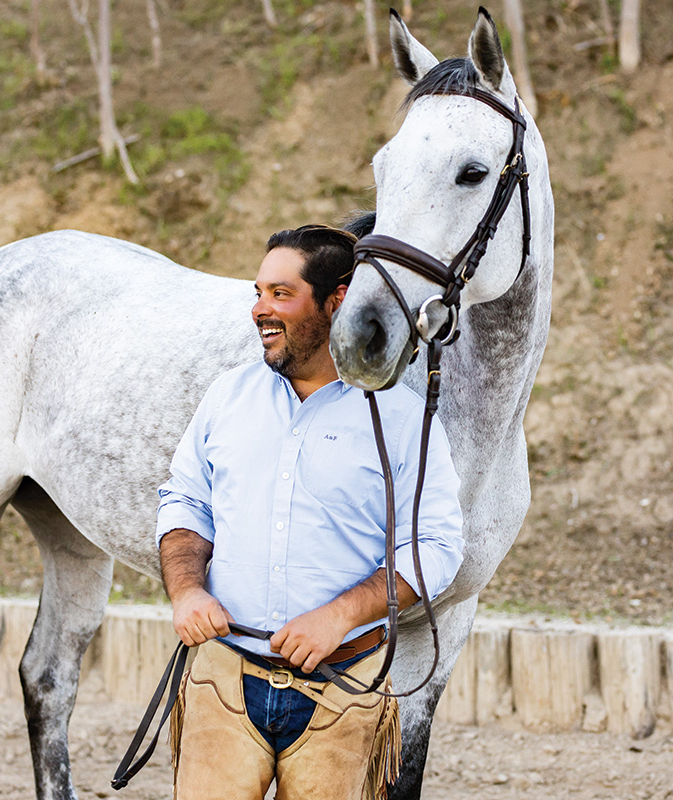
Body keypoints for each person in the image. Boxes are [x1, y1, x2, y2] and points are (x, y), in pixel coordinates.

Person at [155, 223, 464, 800]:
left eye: (281, 294)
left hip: (342, 688)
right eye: (258, 292)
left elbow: (435, 548)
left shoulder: (402, 418)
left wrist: (339, 616)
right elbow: (185, 500)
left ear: (337, 299)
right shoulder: (227, 396)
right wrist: (187, 591)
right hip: (223, 677)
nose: (260, 310)